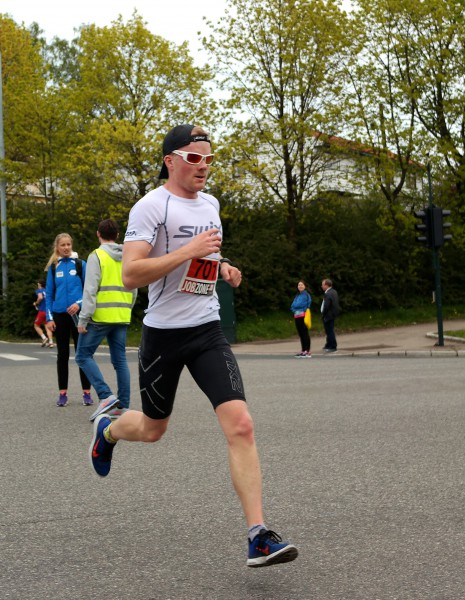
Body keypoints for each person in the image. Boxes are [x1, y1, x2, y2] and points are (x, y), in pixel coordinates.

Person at [88, 124, 298, 568]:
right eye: (194, 158)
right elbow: (131, 274)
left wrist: (222, 267)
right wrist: (190, 251)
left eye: (209, 158)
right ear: (171, 161)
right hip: (163, 335)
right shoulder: (150, 207)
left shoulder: (212, 205)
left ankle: (258, 536)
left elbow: (206, 255)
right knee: (152, 428)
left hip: (206, 330)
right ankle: (107, 431)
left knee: (241, 424)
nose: (203, 166)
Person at [76, 219, 137, 421]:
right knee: (120, 361)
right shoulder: (128, 255)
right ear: (118, 235)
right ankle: (123, 406)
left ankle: (106, 396)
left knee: (83, 356)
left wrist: (83, 319)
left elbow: (90, 290)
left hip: (100, 317)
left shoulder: (97, 256)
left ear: (98, 234)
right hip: (121, 315)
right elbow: (134, 287)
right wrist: (127, 308)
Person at [45, 233, 93, 407]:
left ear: (71, 246)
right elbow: (49, 295)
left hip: (77, 315)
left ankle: (86, 393)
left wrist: (79, 304)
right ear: (57, 247)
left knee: (82, 354)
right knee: (62, 355)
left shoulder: (81, 265)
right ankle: (63, 394)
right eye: (62, 245)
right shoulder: (53, 267)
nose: (66, 248)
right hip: (59, 315)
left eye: (68, 244)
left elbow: (89, 290)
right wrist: (49, 318)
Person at [290, 280, 312, 357]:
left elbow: (299, 304)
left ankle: (307, 351)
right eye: (299, 285)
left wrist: (295, 307)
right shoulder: (297, 295)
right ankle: (303, 350)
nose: (300, 286)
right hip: (297, 316)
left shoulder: (305, 295)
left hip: (303, 316)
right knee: (301, 334)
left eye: (302, 285)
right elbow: (292, 305)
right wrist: (294, 308)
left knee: (305, 333)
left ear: (305, 286)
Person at [33, 279, 54, 347]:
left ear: (39, 284)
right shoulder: (47, 291)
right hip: (48, 311)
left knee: (36, 325)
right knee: (47, 326)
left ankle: (44, 338)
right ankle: (51, 342)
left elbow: (40, 297)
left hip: (42, 311)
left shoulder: (39, 290)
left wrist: (36, 303)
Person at [321, 278, 340, 353]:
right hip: (332, 314)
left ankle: (333, 346)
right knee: (328, 330)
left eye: (322, 285)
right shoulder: (334, 291)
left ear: (326, 285)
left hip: (328, 315)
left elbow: (326, 306)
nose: (321, 286)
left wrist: (323, 313)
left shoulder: (328, 293)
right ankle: (328, 344)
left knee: (329, 331)